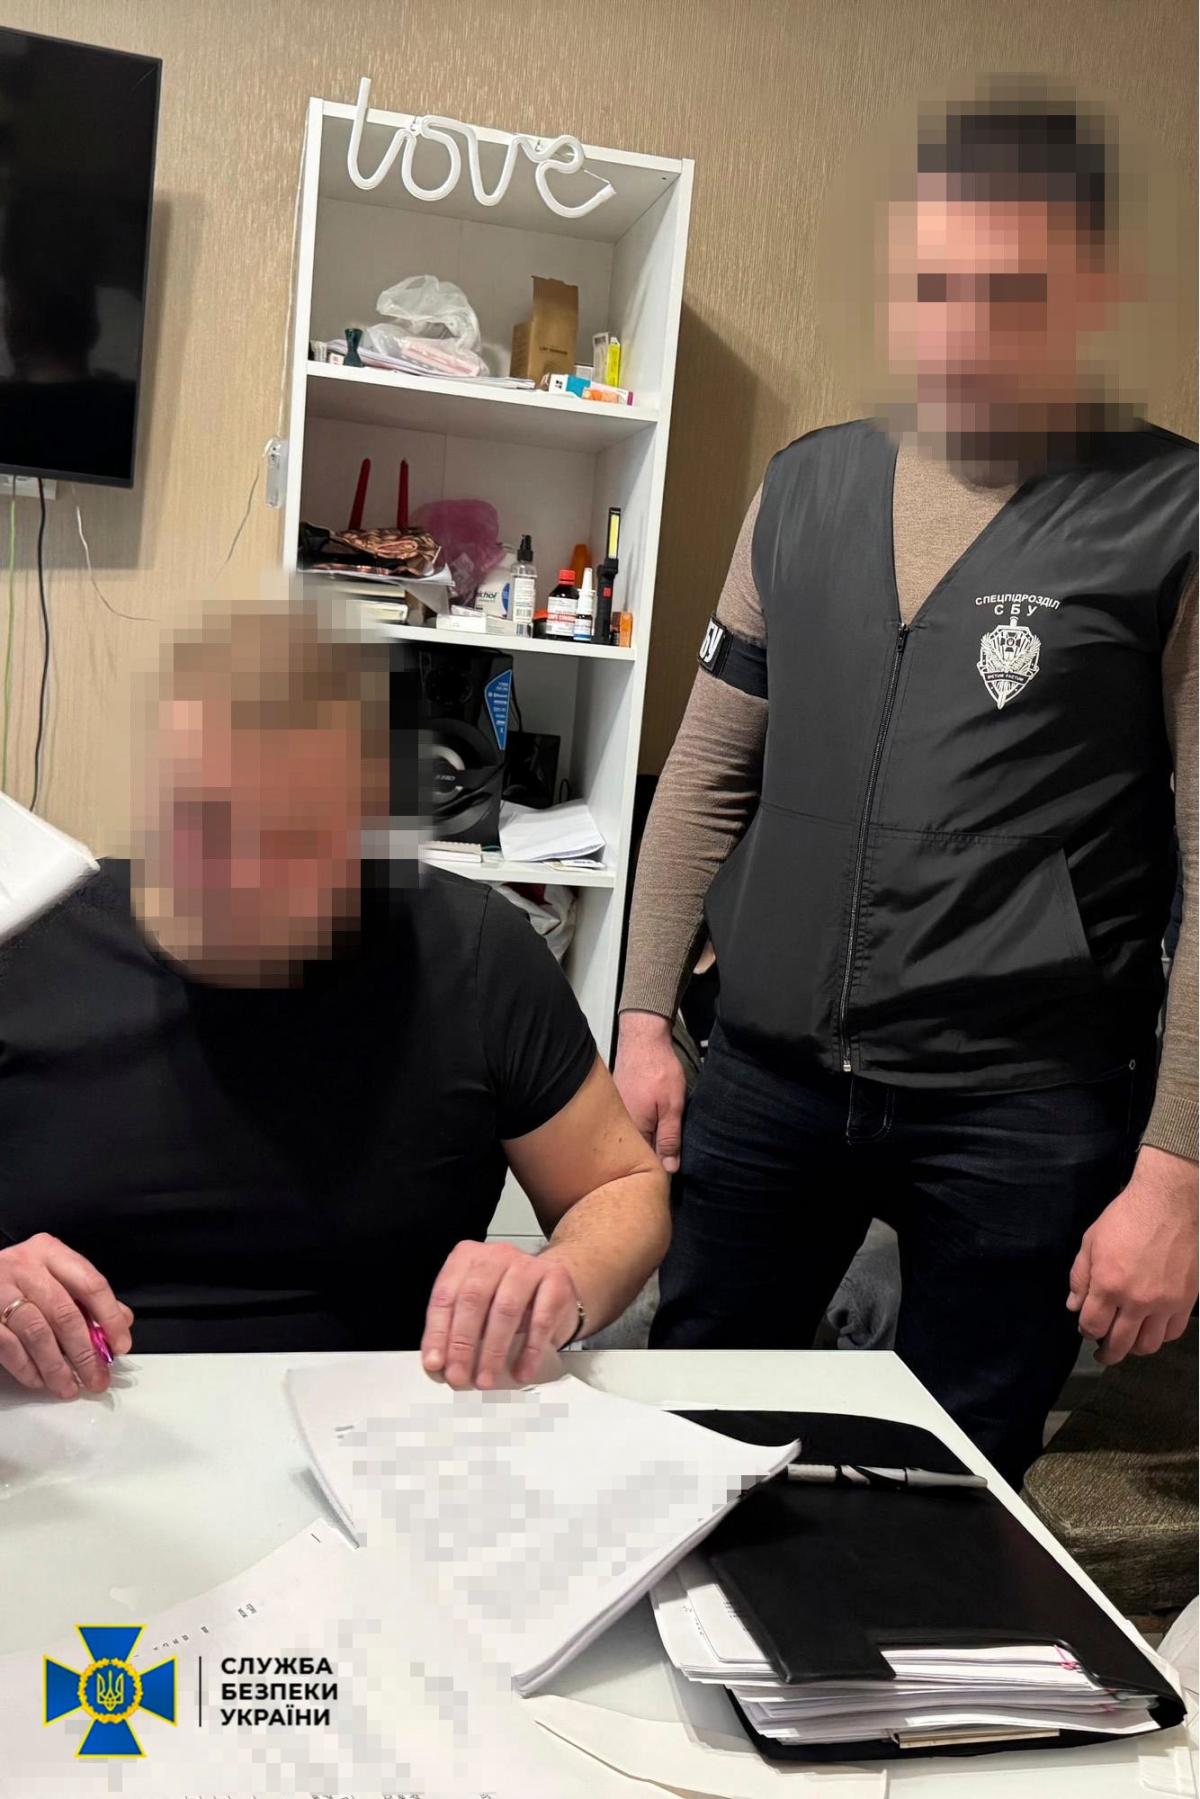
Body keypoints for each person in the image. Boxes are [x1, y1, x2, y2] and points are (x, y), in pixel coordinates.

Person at [615, 85, 1197, 1485]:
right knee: (689, 1437)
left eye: (1013, 292)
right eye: (936, 287)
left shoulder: (1171, 515)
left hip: (1022, 1107)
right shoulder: (804, 487)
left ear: (1090, 292)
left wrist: (1178, 1166)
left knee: (950, 1486)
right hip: (767, 1077)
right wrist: (638, 1016)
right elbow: (706, 771)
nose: (965, 329)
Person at [0, 601, 668, 1396]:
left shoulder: (474, 954)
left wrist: (560, 1280)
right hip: (70, 1418)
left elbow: (619, 1185)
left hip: (383, 1425)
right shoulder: (28, 939)